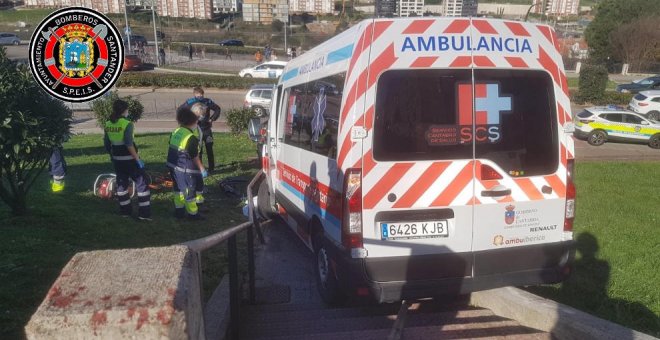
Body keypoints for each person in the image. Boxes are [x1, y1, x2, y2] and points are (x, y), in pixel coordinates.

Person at [103, 99, 151, 220]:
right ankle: (144, 214)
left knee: (121, 184)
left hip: (117, 160)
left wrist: (112, 156)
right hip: (129, 159)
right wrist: (137, 159)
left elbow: (107, 144)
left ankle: (125, 211)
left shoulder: (108, 123)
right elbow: (129, 144)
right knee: (142, 184)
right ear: (124, 110)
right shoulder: (127, 124)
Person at [166, 106, 208, 220]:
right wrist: (202, 169)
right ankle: (193, 214)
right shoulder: (191, 137)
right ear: (192, 122)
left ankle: (179, 211)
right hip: (185, 168)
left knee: (178, 190)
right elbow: (194, 156)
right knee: (190, 191)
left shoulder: (176, 131)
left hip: (173, 166)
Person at [179, 87, 222, 171]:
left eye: (202, 95)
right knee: (199, 150)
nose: (201, 97)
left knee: (209, 148)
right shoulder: (190, 102)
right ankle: (200, 168)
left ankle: (211, 168)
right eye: (199, 95)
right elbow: (180, 110)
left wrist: (212, 119)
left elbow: (217, 109)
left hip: (207, 129)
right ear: (194, 95)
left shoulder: (207, 101)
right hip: (196, 129)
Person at [189, 103, 209, 212]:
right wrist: (201, 168)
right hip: (191, 158)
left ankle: (199, 200)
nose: (202, 117)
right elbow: (192, 151)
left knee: (198, 180)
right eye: (200, 115)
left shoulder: (196, 126)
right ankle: (194, 206)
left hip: (196, 155)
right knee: (193, 181)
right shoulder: (191, 128)